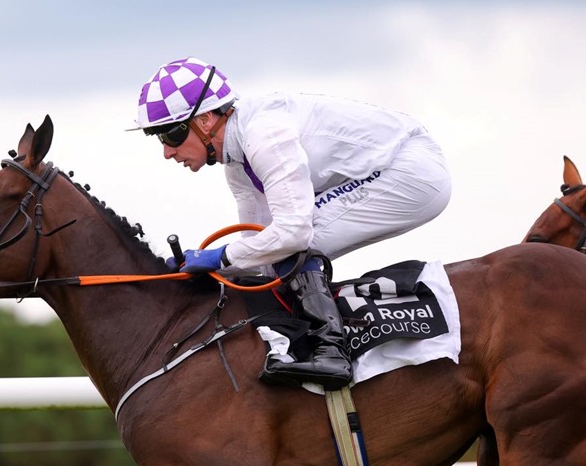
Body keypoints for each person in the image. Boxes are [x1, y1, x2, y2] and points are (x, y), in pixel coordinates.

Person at [132, 57, 452, 389]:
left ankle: (331, 351)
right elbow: (258, 252)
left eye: (170, 135)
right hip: (389, 169)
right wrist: (203, 269)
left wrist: (218, 257)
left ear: (206, 118)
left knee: (293, 245)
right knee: (276, 257)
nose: (167, 152)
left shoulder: (264, 135)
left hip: (412, 172)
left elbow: (291, 235)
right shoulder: (237, 166)